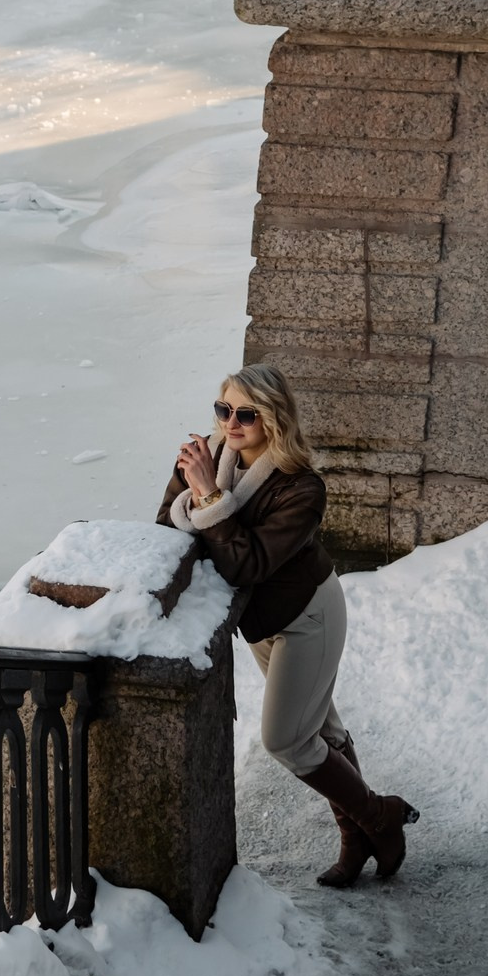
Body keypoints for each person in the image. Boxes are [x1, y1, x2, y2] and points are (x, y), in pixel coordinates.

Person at [157, 364, 419, 885]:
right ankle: (358, 840)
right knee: (321, 728)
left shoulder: (302, 488)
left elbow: (246, 564)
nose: (232, 422)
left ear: (273, 418)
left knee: (286, 739)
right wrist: (198, 491)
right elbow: (167, 526)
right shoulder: (204, 459)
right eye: (223, 410)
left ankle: (380, 817)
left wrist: (209, 497)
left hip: (307, 615)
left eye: (246, 414)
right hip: (259, 621)